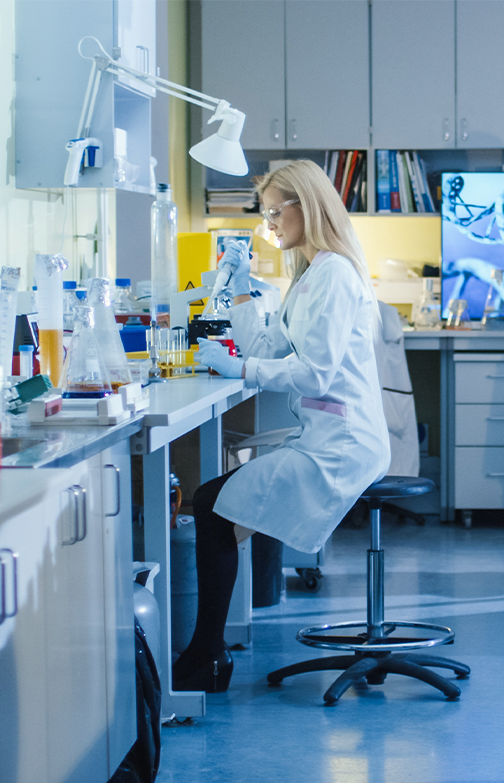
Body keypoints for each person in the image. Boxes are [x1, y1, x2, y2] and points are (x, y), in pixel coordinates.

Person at [176, 160, 391, 692]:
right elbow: (267, 347)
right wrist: (240, 291)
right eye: (265, 213)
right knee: (217, 508)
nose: (268, 224)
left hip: (341, 446)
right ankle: (207, 654)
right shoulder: (310, 273)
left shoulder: (335, 274)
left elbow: (314, 374)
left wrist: (240, 369)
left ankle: (206, 655)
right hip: (322, 435)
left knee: (211, 505)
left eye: (275, 212)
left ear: (307, 207)